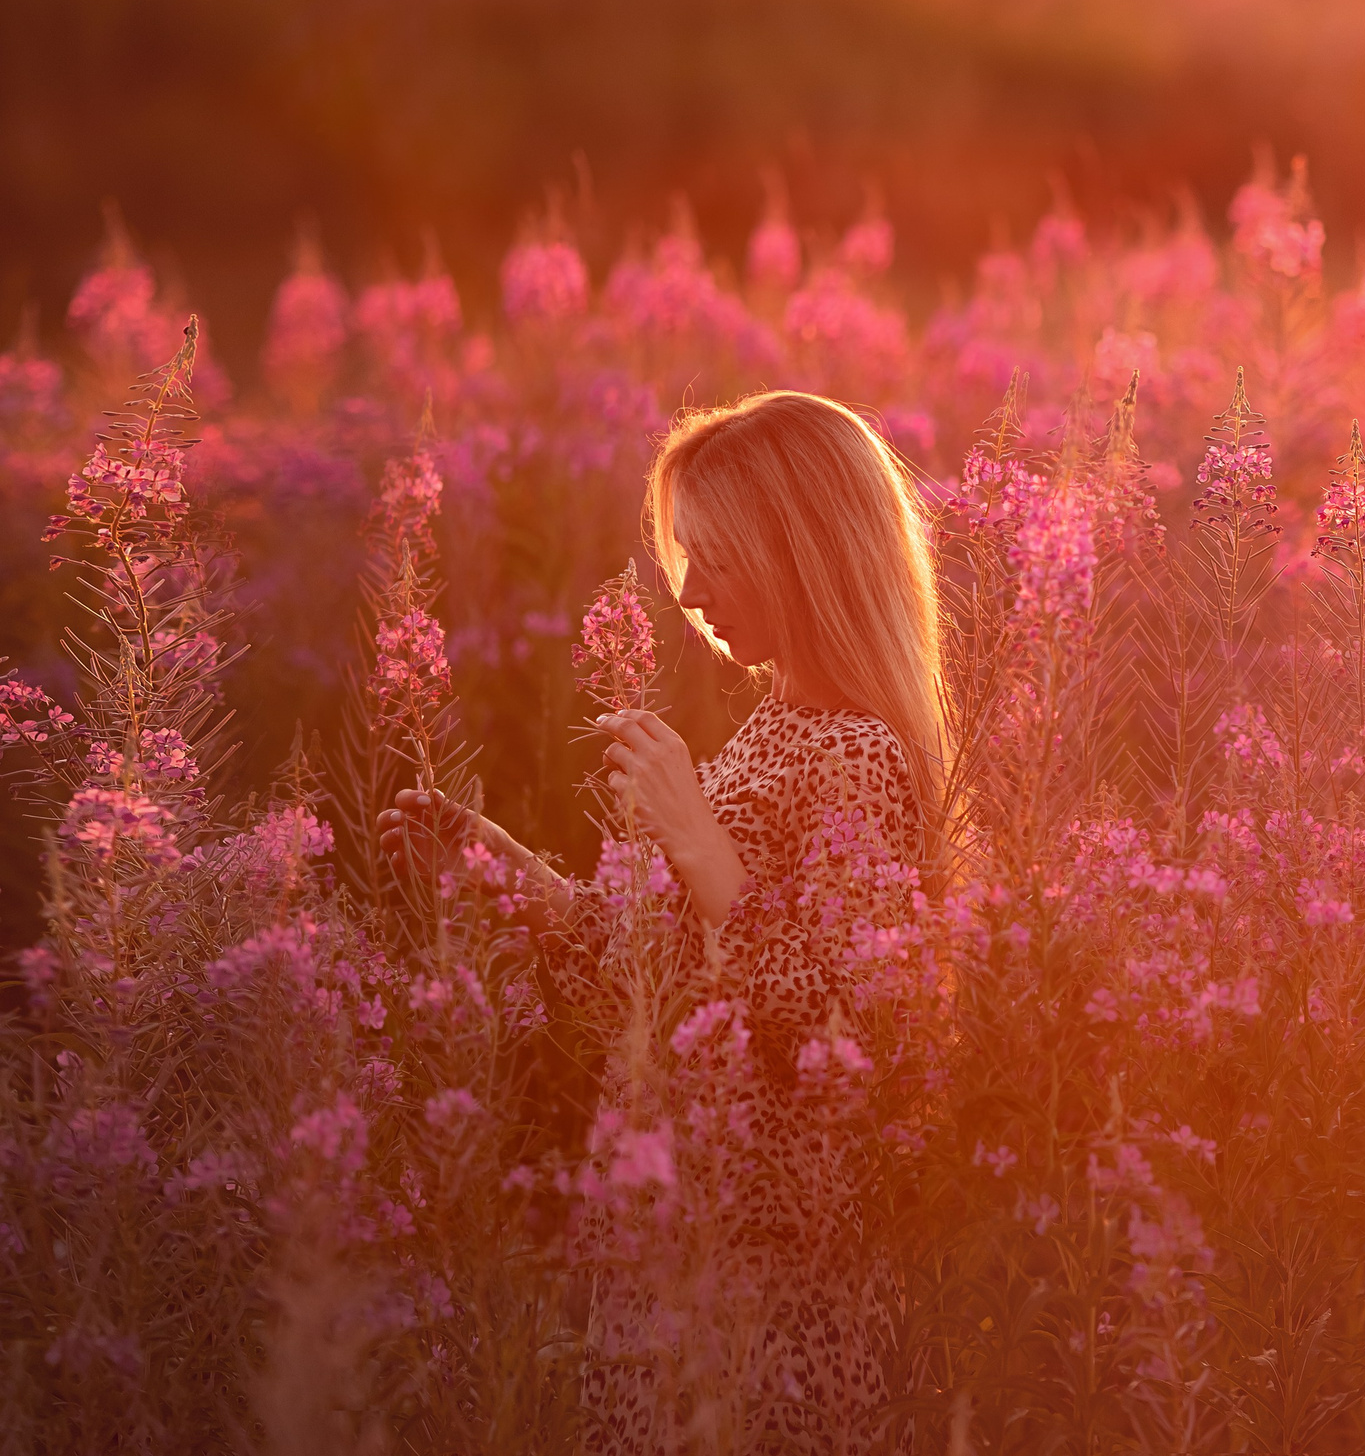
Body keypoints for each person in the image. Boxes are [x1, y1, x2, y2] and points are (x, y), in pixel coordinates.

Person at [379, 389, 944, 1454]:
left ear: (806, 551)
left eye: (717, 558)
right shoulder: (774, 728)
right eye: (687, 556)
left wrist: (694, 833)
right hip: (680, 1238)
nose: (688, 591)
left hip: (774, 1272)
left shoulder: (861, 751)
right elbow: (657, 972)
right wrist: (506, 871)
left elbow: (843, 1026)